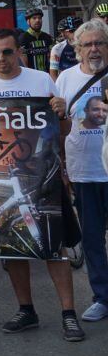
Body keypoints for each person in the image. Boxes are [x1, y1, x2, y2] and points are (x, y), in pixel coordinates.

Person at [0, 29, 84, 342]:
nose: (1, 59)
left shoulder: (41, 81)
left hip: (43, 177)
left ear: (19, 51)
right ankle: (26, 310)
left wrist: (62, 114)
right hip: (2, 181)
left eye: (7, 52)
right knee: (13, 247)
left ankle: (69, 314)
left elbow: (63, 128)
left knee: (54, 248)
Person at [55, 19, 108, 322]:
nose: (94, 49)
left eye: (99, 42)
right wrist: (62, 167)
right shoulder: (64, 78)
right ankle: (102, 297)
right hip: (83, 173)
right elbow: (61, 126)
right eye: (87, 44)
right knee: (91, 239)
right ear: (77, 49)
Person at [19, 8, 53, 73]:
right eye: (34, 18)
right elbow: (23, 63)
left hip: (46, 75)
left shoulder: (47, 37)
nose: (37, 20)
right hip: (31, 76)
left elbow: (51, 59)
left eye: (39, 18)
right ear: (28, 21)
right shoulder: (23, 38)